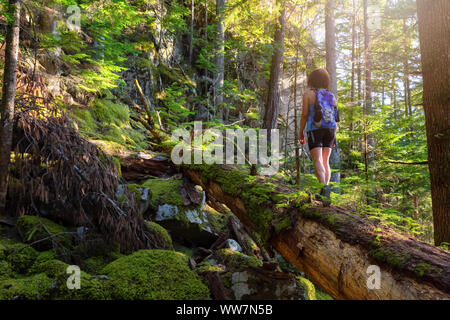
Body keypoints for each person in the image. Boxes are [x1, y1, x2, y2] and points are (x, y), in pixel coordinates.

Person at [299, 69, 339, 203]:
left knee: (317, 160)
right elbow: (335, 117)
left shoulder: (308, 94)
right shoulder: (332, 96)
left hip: (314, 130)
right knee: (325, 161)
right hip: (330, 131)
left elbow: (304, 115)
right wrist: (334, 136)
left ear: (312, 79)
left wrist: (300, 132)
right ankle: (325, 191)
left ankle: (324, 189)